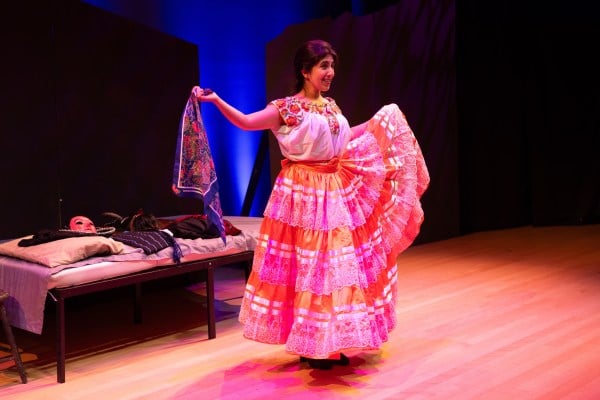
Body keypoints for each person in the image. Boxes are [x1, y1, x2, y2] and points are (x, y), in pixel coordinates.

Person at [193, 39, 429, 369]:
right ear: (305, 71)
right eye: (323, 66)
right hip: (301, 195)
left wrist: (380, 123)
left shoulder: (331, 106)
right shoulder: (286, 108)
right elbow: (247, 122)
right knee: (310, 268)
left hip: (333, 190)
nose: (330, 72)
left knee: (337, 267)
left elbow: (344, 140)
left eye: (332, 66)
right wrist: (216, 100)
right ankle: (312, 343)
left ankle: (335, 337)